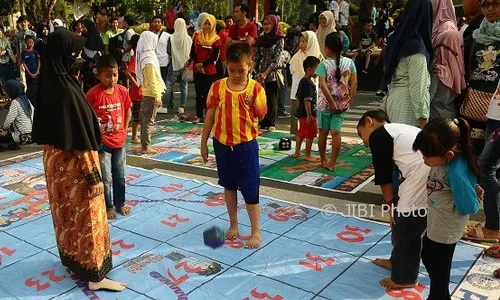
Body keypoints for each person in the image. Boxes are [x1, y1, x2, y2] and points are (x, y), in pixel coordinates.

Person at [33, 27, 127, 292]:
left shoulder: (50, 82)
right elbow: (81, 137)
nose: (77, 56)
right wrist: (94, 176)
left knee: (66, 215)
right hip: (76, 165)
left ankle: (74, 259)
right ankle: (95, 274)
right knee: (88, 216)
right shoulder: (67, 91)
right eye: (73, 51)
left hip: (55, 163)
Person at [200, 42, 267, 249]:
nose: (237, 75)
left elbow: (262, 114)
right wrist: (203, 143)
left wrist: (254, 106)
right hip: (221, 145)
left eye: (242, 71)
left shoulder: (256, 89)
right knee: (229, 186)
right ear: (226, 65)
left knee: (250, 188)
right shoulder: (217, 87)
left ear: (251, 66)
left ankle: (256, 231)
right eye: (232, 70)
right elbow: (210, 115)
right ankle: (233, 224)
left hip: (245, 147)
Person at [356, 109, 429, 289]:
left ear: (369, 121)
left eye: (360, 134)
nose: (364, 142)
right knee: (402, 223)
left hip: (421, 173)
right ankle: (397, 262)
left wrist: (391, 206)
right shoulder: (395, 130)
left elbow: (384, 176)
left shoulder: (379, 135)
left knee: (405, 224)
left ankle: (406, 278)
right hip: (422, 171)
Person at [413, 117, 480, 299]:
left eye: (427, 156)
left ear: (448, 154)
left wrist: (474, 197)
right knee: (428, 255)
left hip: (447, 228)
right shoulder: (445, 161)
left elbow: (467, 205)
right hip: (436, 220)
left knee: (440, 273)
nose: (424, 159)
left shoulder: (456, 170)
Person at [86, 55, 132, 220]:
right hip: (103, 144)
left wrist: (125, 130)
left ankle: (120, 203)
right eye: (107, 75)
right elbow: (87, 117)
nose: (112, 79)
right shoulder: (93, 94)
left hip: (119, 142)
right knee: (105, 177)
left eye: (115, 75)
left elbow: (128, 110)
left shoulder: (122, 91)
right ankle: (108, 206)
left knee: (120, 175)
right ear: (98, 75)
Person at [381, 0, 433, 128]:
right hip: (408, 107)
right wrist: (423, 119)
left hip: (394, 101)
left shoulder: (397, 39)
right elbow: (417, 87)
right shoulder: (416, 47)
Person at [316, 32, 357, 171]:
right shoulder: (350, 62)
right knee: (336, 132)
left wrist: (331, 102)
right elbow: (354, 82)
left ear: (327, 48)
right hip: (342, 104)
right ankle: (332, 163)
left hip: (325, 104)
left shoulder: (323, 65)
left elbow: (322, 85)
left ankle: (323, 160)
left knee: (323, 132)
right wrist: (350, 99)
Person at [430, 0, 466, 120]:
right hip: (450, 119)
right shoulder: (458, 73)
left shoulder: (438, 72)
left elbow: (427, 98)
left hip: (436, 122)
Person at [254, 14, 284, 131]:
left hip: (272, 73)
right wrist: (253, 68)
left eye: (268, 24)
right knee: (260, 97)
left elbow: (277, 59)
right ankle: (262, 120)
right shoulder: (261, 38)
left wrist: (266, 73)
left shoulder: (279, 38)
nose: (266, 26)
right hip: (259, 72)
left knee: (271, 98)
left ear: (274, 24)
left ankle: (271, 122)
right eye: (264, 24)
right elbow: (256, 55)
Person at [136, 31, 165, 154]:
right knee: (148, 120)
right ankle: (145, 146)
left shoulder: (145, 55)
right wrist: (157, 96)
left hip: (148, 92)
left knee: (145, 119)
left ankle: (145, 144)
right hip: (151, 93)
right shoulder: (149, 59)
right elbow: (152, 80)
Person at [289, 31, 323, 134]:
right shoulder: (296, 56)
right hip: (298, 89)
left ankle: (310, 134)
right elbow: (292, 70)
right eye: (300, 41)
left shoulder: (318, 56)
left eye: (304, 41)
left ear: (311, 42)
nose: (301, 44)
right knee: (296, 112)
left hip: (311, 89)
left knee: (311, 113)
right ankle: (295, 134)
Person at [190, 14, 221, 124]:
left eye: (209, 24)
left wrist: (202, 65)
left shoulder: (216, 39)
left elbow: (214, 56)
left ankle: (209, 115)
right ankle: (199, 115)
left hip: (209, 70)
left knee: (209, 94)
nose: (207, 26)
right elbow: (192, 53)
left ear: (213, 25)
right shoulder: (197, 35)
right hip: (197, 69)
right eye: (205, 23)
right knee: (198, 94)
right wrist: (198, 64)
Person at [293, 56, 321, 161]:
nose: (318, 72)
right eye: (317, 69)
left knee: (301, 131)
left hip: (301, 112)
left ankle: (297, 152)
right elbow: (307, 100)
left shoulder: (302, 81)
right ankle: (307, 154)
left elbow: (298, 98)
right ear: (309, 70)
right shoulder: (309, 84)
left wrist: (299, 110)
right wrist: (309, 115)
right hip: (308, 114)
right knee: (310, 133)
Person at [164, 18, 192, 114]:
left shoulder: (171, 38)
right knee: (184, 86)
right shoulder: (188, 38)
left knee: (169, 85)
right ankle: (181, 107)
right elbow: (191, 52)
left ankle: (165, 106)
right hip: (185, 65)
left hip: (174, 64)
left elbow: (168, 51)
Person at [149, 16, 171, 114]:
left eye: (159, 22)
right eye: (155, 22)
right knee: (155, 83)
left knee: (164, 84)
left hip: (164, 62)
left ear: (161, 24)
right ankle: (158, 102)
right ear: (152, 23)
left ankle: (165, 103)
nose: (157, 24)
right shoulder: (149, 35)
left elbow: (170, 49)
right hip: (153, 62)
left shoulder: (167, 35)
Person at [1, 80, 33, 146]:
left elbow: (8, 120)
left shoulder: (15, 102)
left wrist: (4, 129)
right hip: (33, 135)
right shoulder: (27, 100)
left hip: (22, 136)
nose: (5, 93)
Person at [12, 15, 37, 91]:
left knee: (33, 79)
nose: (23, 24)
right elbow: (16, 48)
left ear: (28, 22)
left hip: (32, 59)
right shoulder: (17, 35)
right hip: (22, 61)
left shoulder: (33, 34)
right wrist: (18, 59)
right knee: (23, 80)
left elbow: (35, 47)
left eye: (24, 21)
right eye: (21, 22)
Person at [125, 34, 142, 143]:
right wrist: (136, 83)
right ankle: (134, 136)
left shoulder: (137, 58)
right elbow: (128, 72)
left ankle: (134, 135)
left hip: (139, 92)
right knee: (137, 116)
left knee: (137, 116)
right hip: (137, 93)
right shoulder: (136, 58)